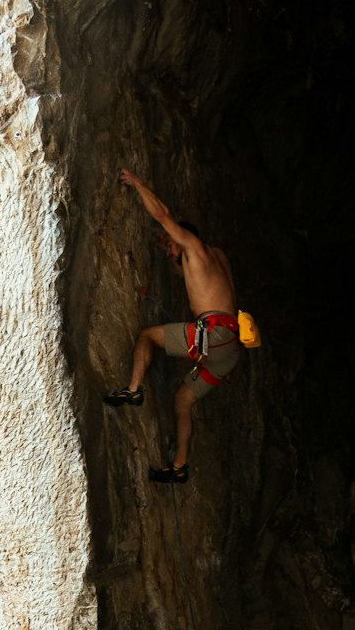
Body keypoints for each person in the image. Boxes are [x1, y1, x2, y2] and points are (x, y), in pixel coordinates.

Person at [103, 167, 259, 484]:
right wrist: (173, 255)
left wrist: (138, 184)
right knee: (183, 400)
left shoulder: (193, 246)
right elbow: (201, 285)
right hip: (228, 350)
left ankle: (133, 391)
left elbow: (163, 215)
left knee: (147, 337)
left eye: (173, 245)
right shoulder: (216, 257)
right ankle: (179, 467)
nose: (170, 248)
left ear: (184, 239)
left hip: (212, 336)